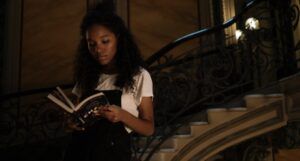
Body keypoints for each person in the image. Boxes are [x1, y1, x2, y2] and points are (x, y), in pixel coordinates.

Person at [63, 2, 154, 161]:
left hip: (113, 154)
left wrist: (122, 115)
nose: (98, 49)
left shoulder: (139, 75)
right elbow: (75, 115)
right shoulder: (86, 75)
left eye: (105, 41)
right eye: (92, 44)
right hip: (78, 152)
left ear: (118, 38)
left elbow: (149, 129)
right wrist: (70, 123)